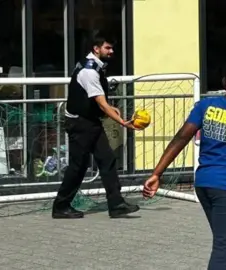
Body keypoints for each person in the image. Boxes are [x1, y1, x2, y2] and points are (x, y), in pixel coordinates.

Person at [142, 59, 226, 269]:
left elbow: (181, 138)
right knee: (224, 248)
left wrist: (157, 173)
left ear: (223, 82)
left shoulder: (205, 106)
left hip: (203, 184)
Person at [52, 32, 140, 219]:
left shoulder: (95, 67)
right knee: (78, 166)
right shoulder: (89, 71)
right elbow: (100, 103)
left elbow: (99, 103)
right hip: (80, 123)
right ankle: (61, 206)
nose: (111, 51)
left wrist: (111, 108)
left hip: (90, 121)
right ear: (96, 48)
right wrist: (123, 122)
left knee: (107, 159)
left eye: (112, 48)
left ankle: (116, 204)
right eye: (107, 48)